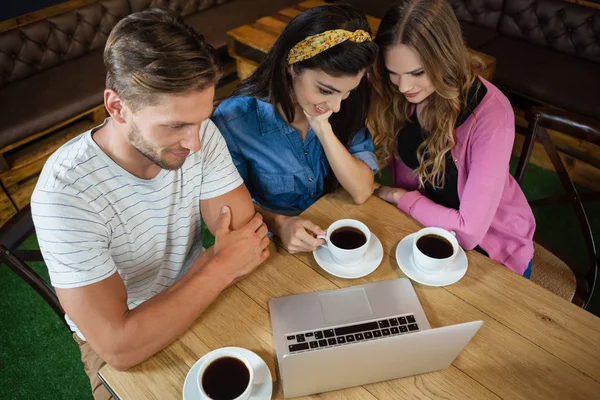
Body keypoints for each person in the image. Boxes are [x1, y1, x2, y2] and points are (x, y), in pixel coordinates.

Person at [30, 10, 269, 399]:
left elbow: (249, 240)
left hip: (205, 292)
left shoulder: (199, 132)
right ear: (117, 107)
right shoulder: (64, 195)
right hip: (129, 341)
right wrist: (220, 263)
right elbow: (119, 346)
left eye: (201, 119)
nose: (194, 142)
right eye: (174, 125)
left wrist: (217, 269)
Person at [369, 0, 535, 276]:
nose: (404, 87)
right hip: (421, 228)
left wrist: (399, 196)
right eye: (393, 73)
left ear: (445, 58)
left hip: (490, 252)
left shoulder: (492, 114)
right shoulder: (400, 91)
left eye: (418, 73)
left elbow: (468, 233)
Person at [212, 4, 379, 254]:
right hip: (272, 242)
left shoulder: (344, 105)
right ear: (292, 66)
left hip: (334, 228)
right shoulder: (235, 120)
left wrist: (322, 128)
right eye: (325, 90)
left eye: (347, 92)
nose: (335, 105)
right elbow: (228, 205)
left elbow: (362, 190)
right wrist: (279, 224)